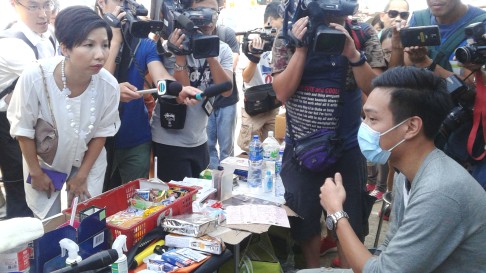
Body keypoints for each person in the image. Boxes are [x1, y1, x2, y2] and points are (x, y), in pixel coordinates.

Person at [317, 66, 486, 273]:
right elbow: (389, 248)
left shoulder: (440, 191)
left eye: (373, 119)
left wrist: (336, 213)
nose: (364, 127)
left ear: (411, 127)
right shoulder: (404, 175)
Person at [271, 2, 386, 268]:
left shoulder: (362, 33)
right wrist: (300, 48)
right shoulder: (291, 32)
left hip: (347, 147)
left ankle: (347, 268)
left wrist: (353, 54)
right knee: (305, 221)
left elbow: (377, 90)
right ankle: (312, 268)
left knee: (350, 222)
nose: (334, 16)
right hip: (301, 148)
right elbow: (281, 93)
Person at [7, 5, 121, 219]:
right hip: (45, 165)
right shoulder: (36, 77)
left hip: (89, 163)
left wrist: (82, 175)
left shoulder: (109, 85)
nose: (100, 54)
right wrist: (35, 172)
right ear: (65, 48)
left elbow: (101, 133)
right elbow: (23, 129)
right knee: (48, 225)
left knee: (85, 221)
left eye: (105, 45)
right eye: (89, 45)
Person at [399, 0, 486, 188]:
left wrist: (428, 65)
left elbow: (472, 89)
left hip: (464, 132)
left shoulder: (480, 25)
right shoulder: (419, 18)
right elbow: (409, 63)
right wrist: (415, 57)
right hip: (423, 124)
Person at [95, 0, 177, 188]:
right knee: (97, 203)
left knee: (133, 202)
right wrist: (115, 40)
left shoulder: (144, 43)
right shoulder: (89, 41)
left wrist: (178, 89)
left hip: (135, 139)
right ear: (101, 2)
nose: (125, 6)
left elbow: (160, 77)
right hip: (96, 141)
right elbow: (98, 86)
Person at [151, 0, 233, 182]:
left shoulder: (223, 49)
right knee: (177, 201)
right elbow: (182, 97)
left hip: (200, 139)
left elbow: (227, 90)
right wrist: (180, 54)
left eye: (214, 11)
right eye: (202, 11)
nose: (210, 18)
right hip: (169, 140)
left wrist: (210, 52)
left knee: (199, 201)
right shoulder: (170, 48)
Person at [0, 0, 58, 219]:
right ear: (15, 5)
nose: (43, 13)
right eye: (33, 7)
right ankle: (21, 247)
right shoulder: (11, 44)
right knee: (19, 184)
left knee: (42, 183)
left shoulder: (48, 35)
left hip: (36, 117)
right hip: (7, 123)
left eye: (47, 5)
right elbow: (51, 84)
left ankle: (42, 235)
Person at [237, 1, 283, 152]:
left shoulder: (283, 42)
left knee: (274, 150)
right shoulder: (252, 40)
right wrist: (254, 58)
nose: (281, 31)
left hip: (274, 104)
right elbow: (246, 78)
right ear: (269, 21)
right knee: (250, 150)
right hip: (254, 106)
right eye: (280, 25)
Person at [207, 0, 240, 169]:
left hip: (227, 99)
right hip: (207, 100)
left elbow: (233, 64)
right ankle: (213, 181)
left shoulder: (226, 33)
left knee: (226, 148)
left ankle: (228, 180)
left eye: (213, 11)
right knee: (209, 146)